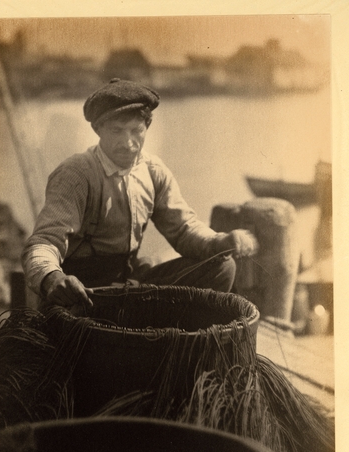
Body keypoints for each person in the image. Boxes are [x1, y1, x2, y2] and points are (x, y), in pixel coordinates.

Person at [21, 78, 258, 310]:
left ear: (147, 127)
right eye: (116, 131)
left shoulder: (153, 172)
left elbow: (183, 229)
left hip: (130, 283)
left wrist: (218, 242)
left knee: (222, 267)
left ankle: (169, 333)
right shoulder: (76, 174)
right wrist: (52, 278)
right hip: (87, 291)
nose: (128, 143)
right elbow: (44, 242)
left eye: (136, 130)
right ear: (98, 129)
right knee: (82, 309)